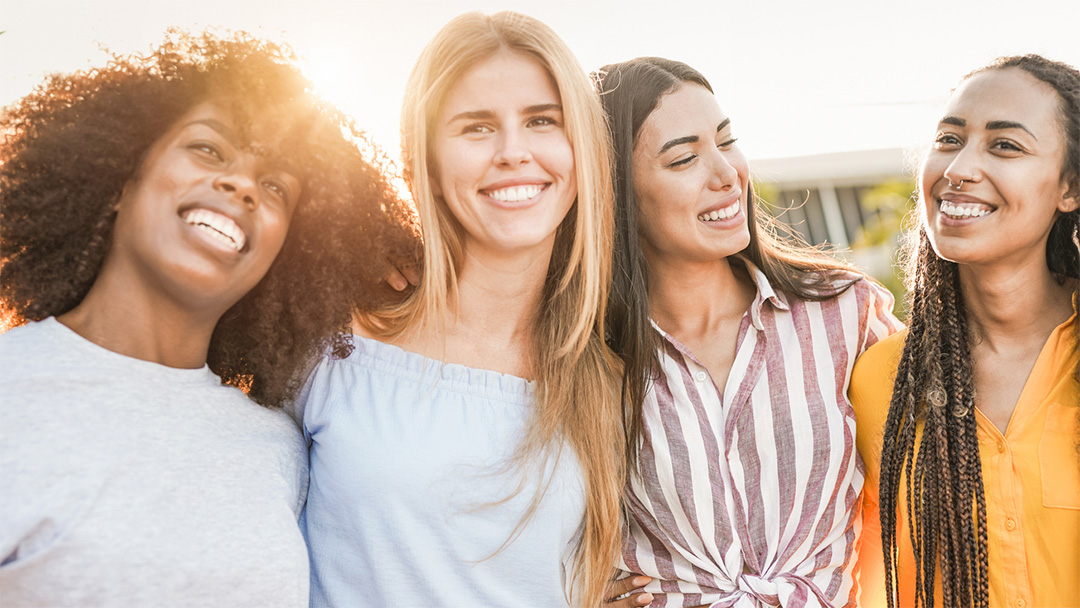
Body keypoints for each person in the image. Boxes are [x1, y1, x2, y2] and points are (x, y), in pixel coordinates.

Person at [0, 30, 417, 606]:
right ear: (120, 179)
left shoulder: (278, 447)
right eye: (208, 149)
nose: (242, 185)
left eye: (275, 187)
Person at [299, 11, 628, 608]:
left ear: (582, 149)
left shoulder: (607, 384)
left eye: (542, 120)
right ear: (424, 163)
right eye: (477, 127)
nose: (513, 152)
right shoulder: (332, 343)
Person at [593, 57, 902, 607]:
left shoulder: (848, 315)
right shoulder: (587, 357)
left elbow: (933, 491)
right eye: (684, 158)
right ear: (616, 192)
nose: (726, 173)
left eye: (726, 141)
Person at [852, 55, 1080, 608]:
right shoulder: (881, 380)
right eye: (949, 140)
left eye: (1005, 146)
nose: (958, 168)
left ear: (1069, 188)